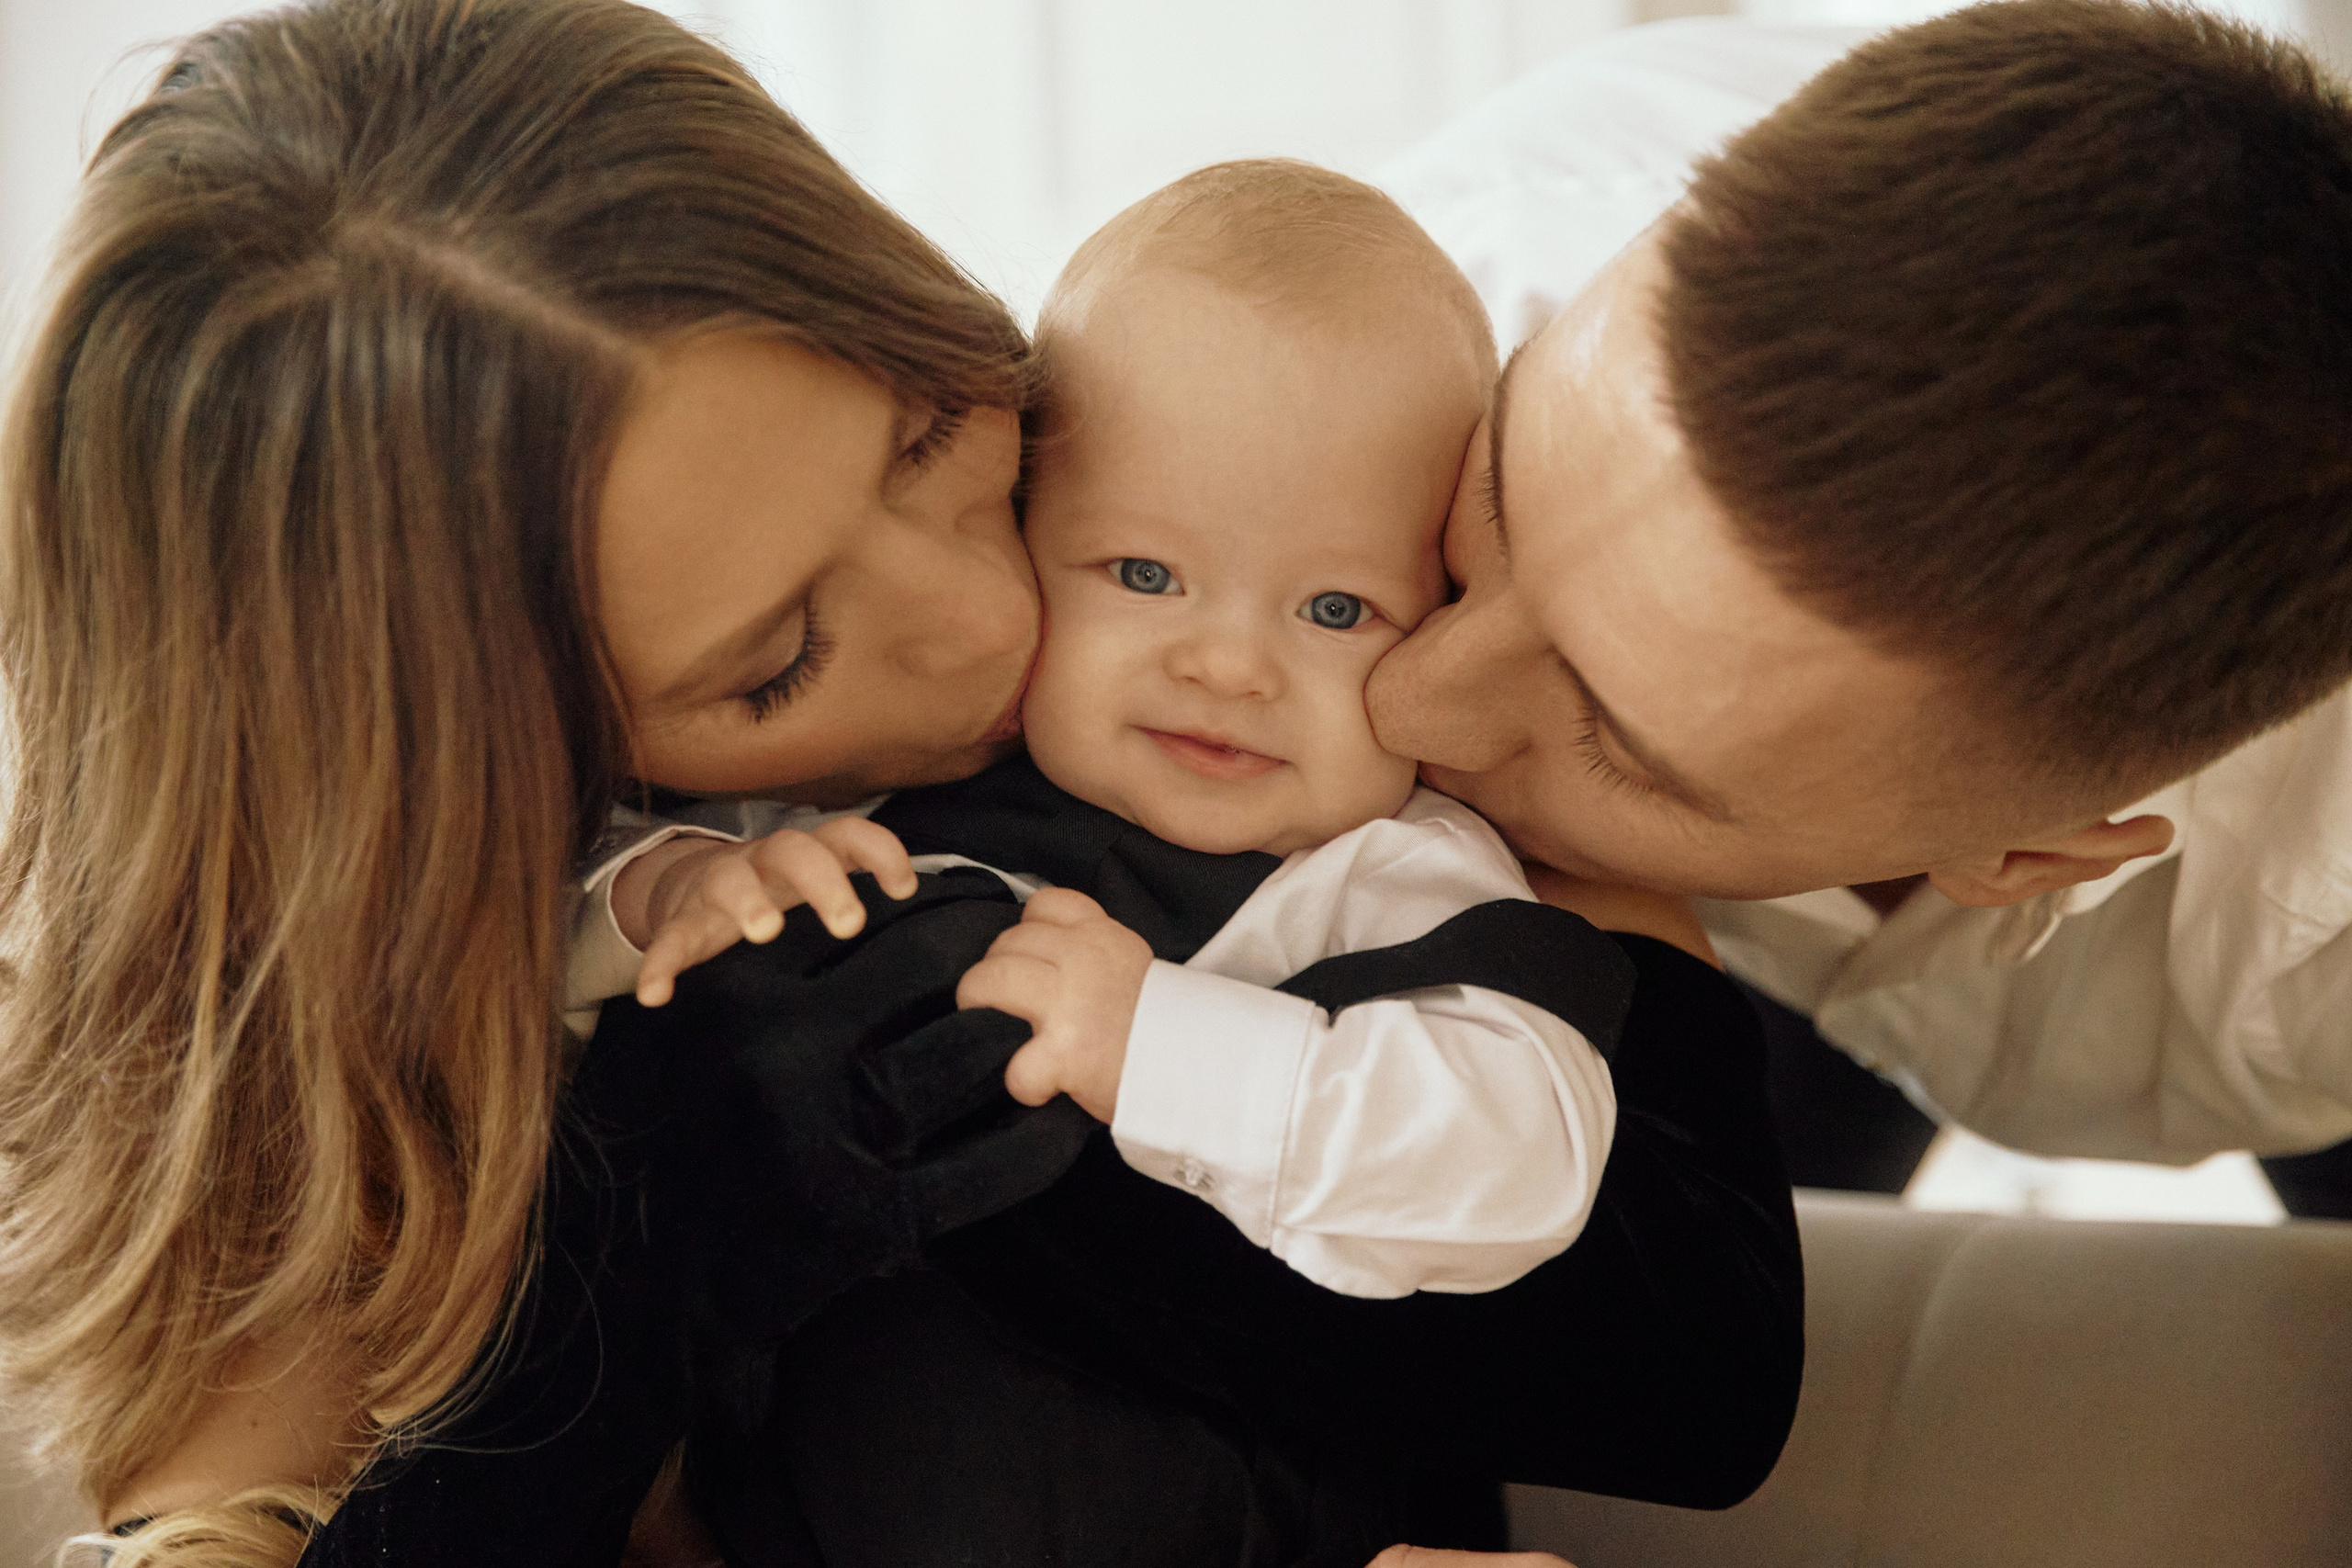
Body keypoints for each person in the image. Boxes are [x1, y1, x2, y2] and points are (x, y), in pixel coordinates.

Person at [0, 4, 1792, 1566]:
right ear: (530, 776)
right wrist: (636, 1254)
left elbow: (1695, 1379)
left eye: (938, 434)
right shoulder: (354, 1032)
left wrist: (1049, 1133)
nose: (984, 611)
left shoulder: (1282, 548)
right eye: (774, 661)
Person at [582, 159, 1626, 1303]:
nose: (1227, 667)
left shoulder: (1386, 874)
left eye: (1337, 610)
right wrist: (668, 892)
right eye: (1144, 573)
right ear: (1034, 518)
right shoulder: (852, 795)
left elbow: (1522, 1164)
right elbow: (510, 937)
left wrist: (1153, 1049)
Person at [1371, 0, 2352, 1194]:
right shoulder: (1414, 306)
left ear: (2033, 850)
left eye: (1613, 739)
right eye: (1488, 513)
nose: (1404, 701)